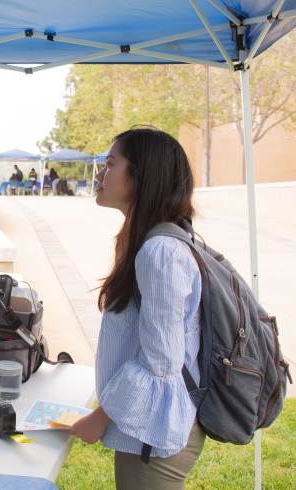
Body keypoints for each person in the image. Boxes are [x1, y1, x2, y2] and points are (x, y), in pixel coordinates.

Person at [70, 126, 205, 489]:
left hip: (155, 432)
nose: (99, 174)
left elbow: (161, 361)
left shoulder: (159, 252)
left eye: (111, 163)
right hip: (145, 420)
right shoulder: (146, 240)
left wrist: (101, 416)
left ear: (141, 175)